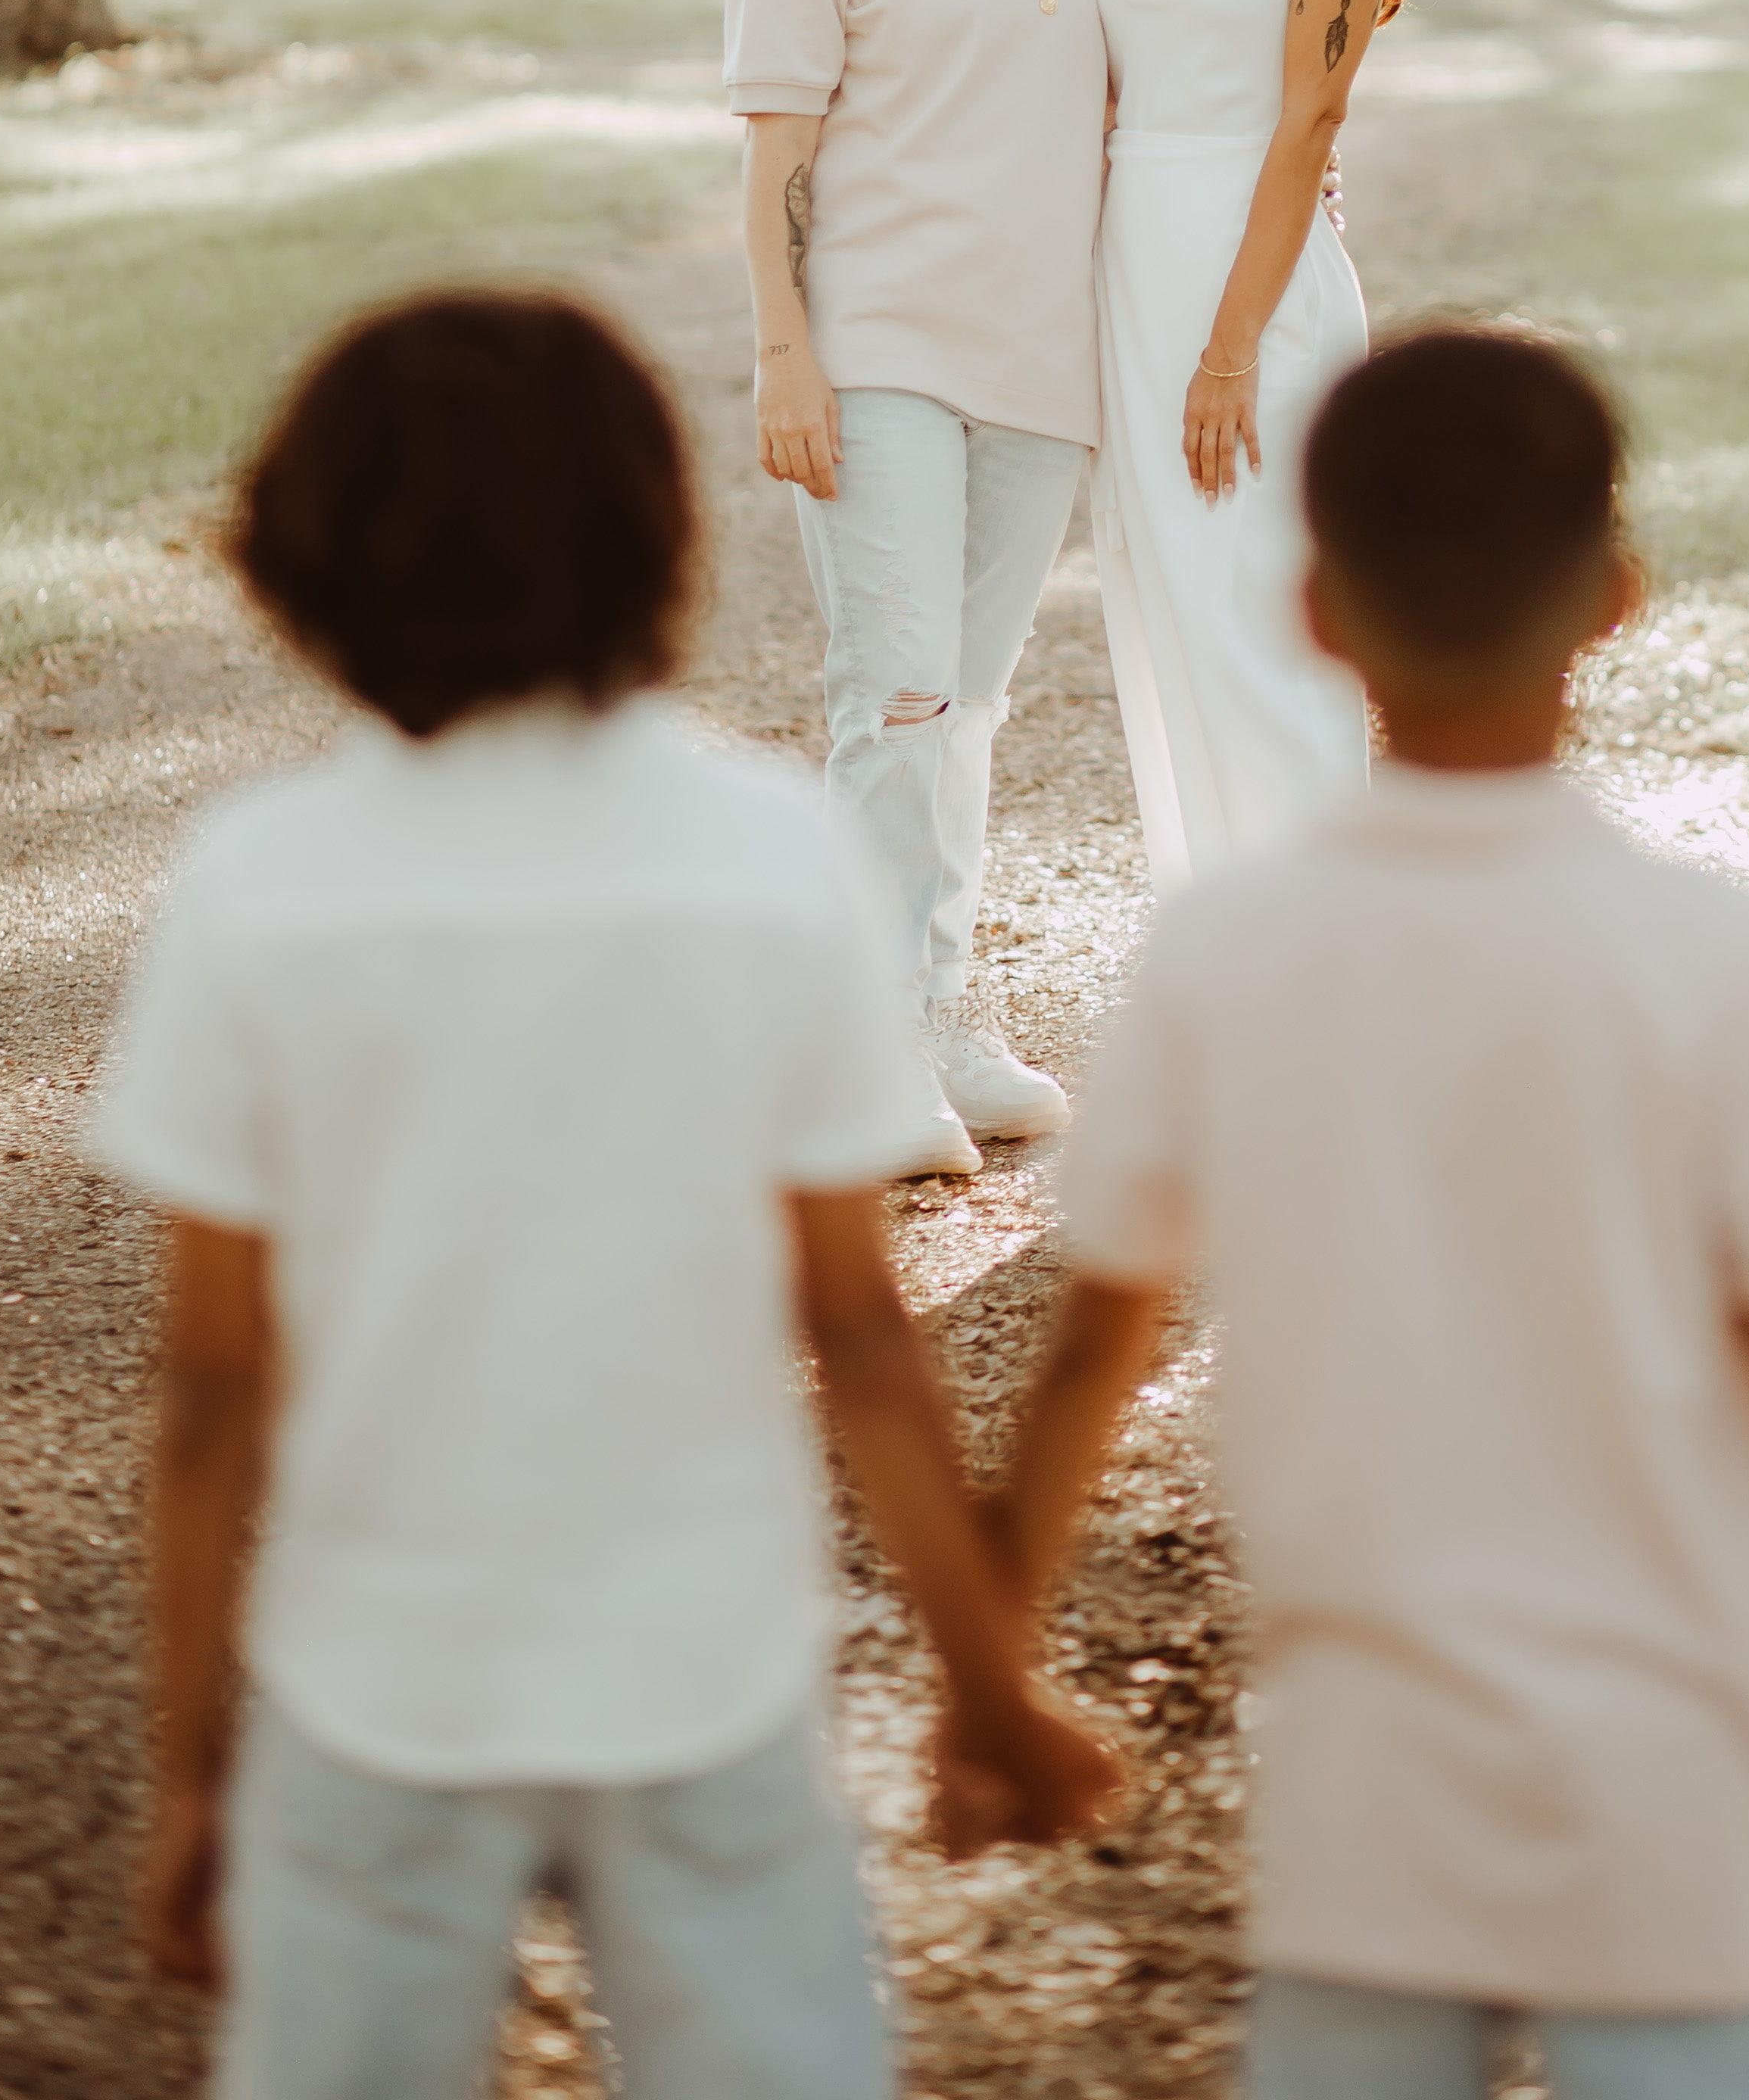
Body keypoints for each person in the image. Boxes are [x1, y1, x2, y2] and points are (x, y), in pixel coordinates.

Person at [973, 326, 1749, 2100]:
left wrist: (991, 1671)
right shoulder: (1709, 958)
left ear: (1312, 611)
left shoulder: (1224, 954)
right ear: (1617, 598)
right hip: (1667, 1800)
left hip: (1365, 1801)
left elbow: (1097, 1346)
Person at [87, 291, 1122, 2100]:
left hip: (380, 1691)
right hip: (702, 1673)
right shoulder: (769, 852)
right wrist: (988, 1682)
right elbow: (862, 1335)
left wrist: (192, 1775)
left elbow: (212, 1392)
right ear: (656, 545)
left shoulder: (258, 884)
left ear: (303, 571)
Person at [725, 0, 1118, 1167]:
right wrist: (785, 358)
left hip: (1041, 372)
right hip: (879, 350)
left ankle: (935, 1017)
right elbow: (777, 160)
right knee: (895, 698)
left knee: (966, 711)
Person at [1081, 0, 1411, 881]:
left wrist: (1230, 350)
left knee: (1267, 628)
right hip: (1139, 277)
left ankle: (1328, 937)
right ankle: (1222, 927)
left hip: (1251, 290)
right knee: (1175, 616)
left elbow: (1311, 118)